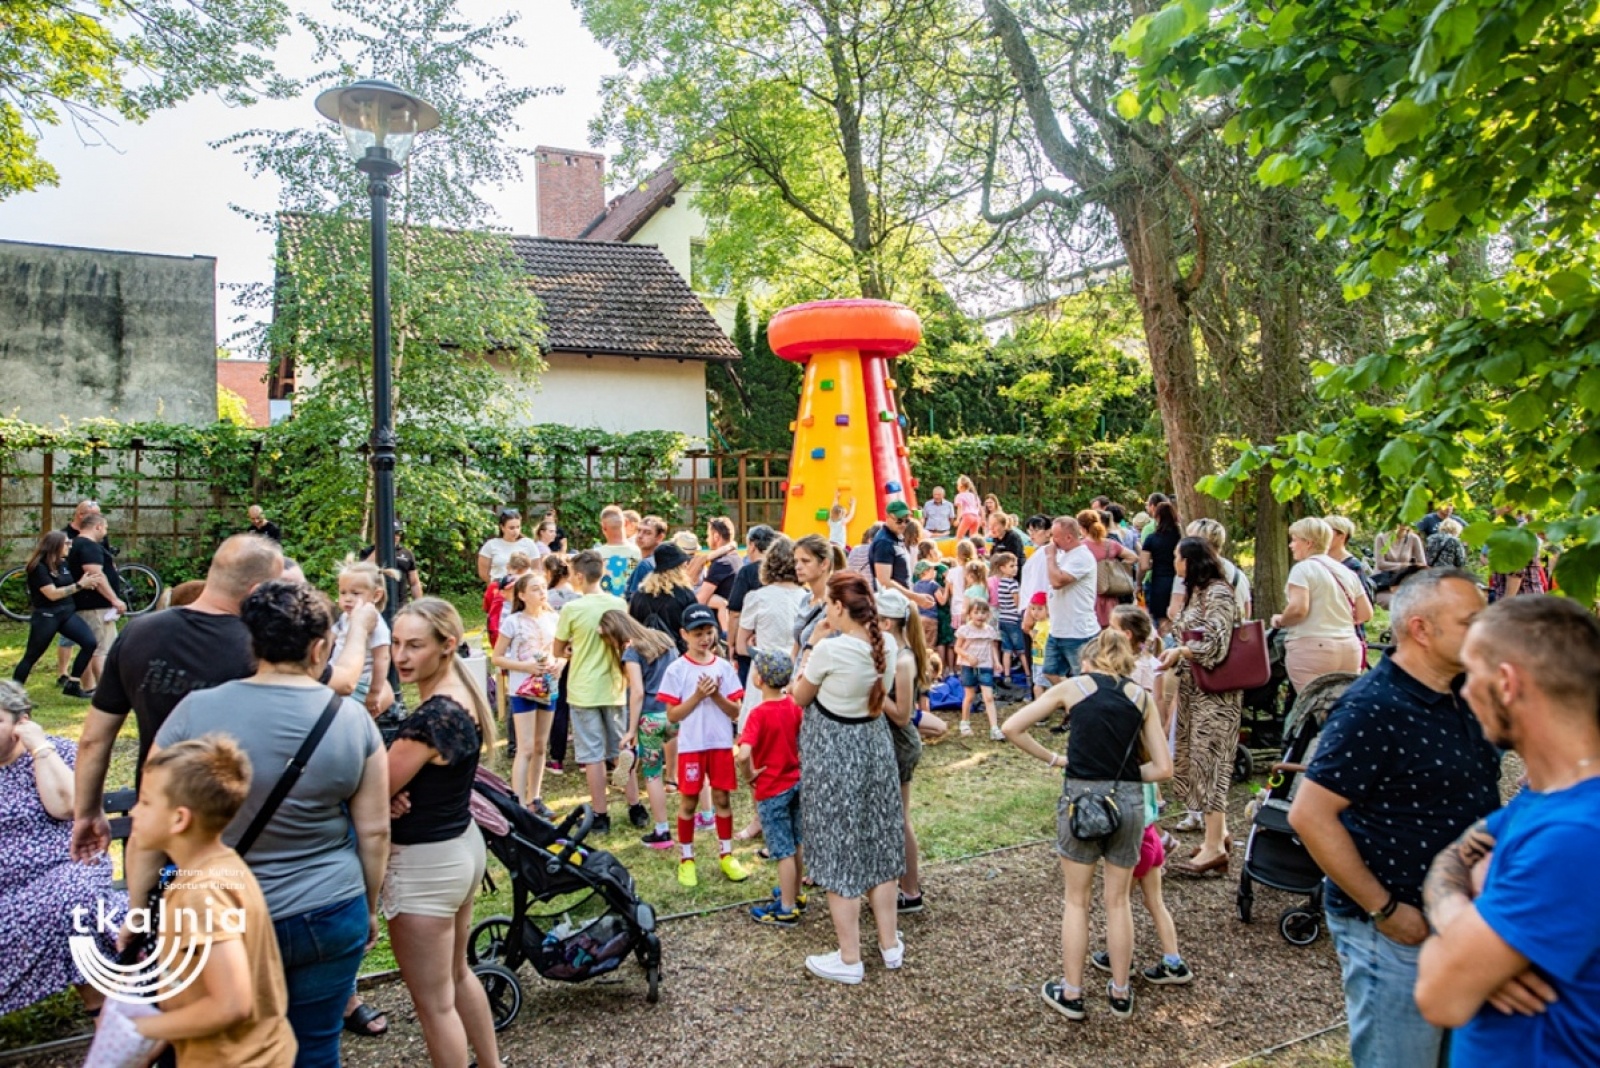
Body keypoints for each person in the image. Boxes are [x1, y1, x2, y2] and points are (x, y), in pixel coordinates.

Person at [143, 580, 388, 1063]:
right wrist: (371, 905)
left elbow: (154, 814)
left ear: (252, 642)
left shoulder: (195, 711)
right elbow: (375, 831)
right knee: (315, 1046)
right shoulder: (352, 720)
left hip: (218, 908)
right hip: (328, 905)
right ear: (320, 647)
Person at [1287, 568, 1500, 1067]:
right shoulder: (1373, 707)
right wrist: (1385, 910)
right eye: (1471, 621)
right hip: (1397, 931)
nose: (1485, 631)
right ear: (1422, 630)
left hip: (1461, 922)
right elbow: (1310, 815)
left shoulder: (1466, 692)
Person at [1415, 596, 1600, 1065]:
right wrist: (1462, 921)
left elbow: (1439, 995)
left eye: (1471, 674)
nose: (1464, 691)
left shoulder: (1577, 833)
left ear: (1506, 683)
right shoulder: (1546, 799)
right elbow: (1452, 857)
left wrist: (1462, 948)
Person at [72, 534, 285, 860]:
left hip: (156, 821)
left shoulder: (138, 632)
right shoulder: (263, 649)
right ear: (257, 592)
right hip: (236, 830)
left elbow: (94, 740)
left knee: (153, 911)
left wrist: (86, 813)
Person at [1002, 629, 1172, 1021]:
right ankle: (1120, 991)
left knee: (1076, 900)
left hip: (1080, 799)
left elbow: (1012, 727)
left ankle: (1073, 992)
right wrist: (1125, 774)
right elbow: (1164, 768)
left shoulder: (1073, 688)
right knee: (1118, 901)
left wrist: (1055, 760)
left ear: (1088, 661)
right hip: (1128, 801)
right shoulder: (1140, 697)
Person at [128, 736, 297, 1066]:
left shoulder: (201, 893)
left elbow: (231, 1004)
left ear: (179, 819)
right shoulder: (220, 865)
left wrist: (141, 1028)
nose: (135, 810)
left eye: (146, 802)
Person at [385, 598, 501, 1068]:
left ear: (447, 646)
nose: (401, 656)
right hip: (460, 847)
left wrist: (382, 795)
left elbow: (368, 790)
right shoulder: (463, 695)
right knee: (456, 975)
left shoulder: (431, 719)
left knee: (434, 1005)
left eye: (415, 645)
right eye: (395, 643)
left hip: (426, 863)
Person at [790, 572, 905, 985]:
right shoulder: (887, 645)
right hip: (874, 746)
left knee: (839, 847)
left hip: (834, 751)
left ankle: (849, 956)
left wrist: (811, 646)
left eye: (827, 605)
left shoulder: (829, 651)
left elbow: (799, 697)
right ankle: (890, 944)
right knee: (879, 837)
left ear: (838, 607)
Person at [0, 682, 124, 1018]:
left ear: (21, 722)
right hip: (7, 888)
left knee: (72, 905)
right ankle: (112, 1015)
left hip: (67, 866)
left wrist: (39, 749)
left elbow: (70, 807)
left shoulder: (59, 752)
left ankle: (104, 1012)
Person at [1161, 538, 1244, 877]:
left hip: (1217, 694)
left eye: (1178, 558)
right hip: (1196, 690)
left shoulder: (1219, 593)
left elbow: (1216, 644)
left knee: (1211, 763)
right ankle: (1217, 835)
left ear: (1191, 561)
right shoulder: (1198, 593)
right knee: (1198, 760)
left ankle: (1212, 849)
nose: (1175, 563)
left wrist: (1182, 652)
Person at [660, 603, 750, 887]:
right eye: (698, 633)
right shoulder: (677, 670)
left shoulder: (724, 667)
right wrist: (698, 696)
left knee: (723, 798)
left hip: (720, 744)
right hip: (691, 746)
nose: (705, 638)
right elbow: (673, 715)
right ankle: (687, 858)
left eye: (709, 631)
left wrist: (715, 697)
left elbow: (736, 711)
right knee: (689, 800)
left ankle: (726, 853)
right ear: (683, 634)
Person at [553, 550, 631, 834]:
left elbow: (557, 649)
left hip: (583, 688)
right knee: (622, 751)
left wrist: (574, 647)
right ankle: (635, 806)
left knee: (593, 754)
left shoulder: (572, 609)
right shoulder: (619, 603)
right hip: (614, 686)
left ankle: (601, 813)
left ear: (579, 576)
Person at [876, 590, 941, 914]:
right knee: (896, 817)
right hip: (892, 741)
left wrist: (873, 690)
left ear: (887, 622)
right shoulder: (895, 653)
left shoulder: (903, 659)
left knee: (900, 819)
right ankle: (904, 887)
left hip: (900, 743)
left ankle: (911, 890)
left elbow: (902, 715)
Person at [738, 648, 805, 925]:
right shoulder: (794, 706)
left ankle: (787, 908)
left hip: (771, 789)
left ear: (760, 680)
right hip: (795, 782)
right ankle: (797, 892)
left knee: (782, 850)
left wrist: (749, 774)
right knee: (797, 841)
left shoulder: (758, 714)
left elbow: (743, 754)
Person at [1272, 517, 1374, 693]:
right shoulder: (1347, 571)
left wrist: (1281, 620)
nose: (1291, 545)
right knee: (1341, 709)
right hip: (1349, 648)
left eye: (1295, 540)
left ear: (1308, 543)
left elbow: (1298, 609)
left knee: (1313, 709)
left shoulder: (1303, 569)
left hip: (1312, 648)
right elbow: (1366, 614)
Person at [491, 572, 564, 817]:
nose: (542, 592)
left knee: (541, 745)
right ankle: (518, 803)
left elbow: (565, 651)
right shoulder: (513, 621)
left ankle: (535, 797)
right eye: (535, 588)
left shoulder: (554, 618)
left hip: (548, 686)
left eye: (543, 587)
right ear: (522, 595)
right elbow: (497, 657)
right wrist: (526, 667)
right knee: (526, 747)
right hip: (522, 688)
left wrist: (559, 664)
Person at [608, 612, 679, 848]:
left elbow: (637, 691)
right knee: (691, 765)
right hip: (674, 713)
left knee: (652, 773)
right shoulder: (663, 640)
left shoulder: (632, 652)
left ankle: (662, 830)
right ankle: (708, 815)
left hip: (650, 718)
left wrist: (630, 730)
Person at [11, 530, 103, 696]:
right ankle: (13, 695)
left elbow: (72, 583)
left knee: (89, 643)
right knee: (32, 656)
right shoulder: (38, 568)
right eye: (66, 543)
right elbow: (52, 594)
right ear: (56, 545)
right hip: (47, 616)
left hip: (66, 614)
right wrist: (79, 586)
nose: (70, 545)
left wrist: (87, 584)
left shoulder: (62, 564)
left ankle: (73, 684)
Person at [735, 536, 807, 723]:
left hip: (764, 675)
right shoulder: (808, 599)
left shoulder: (757, 598)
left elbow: (741, 647)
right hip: (797, 677)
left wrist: (754, 647)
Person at [66, 511, 126, 691]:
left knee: (89, 646)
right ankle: (105, 690)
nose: (105, 532)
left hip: (84, 604)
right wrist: (114, 599)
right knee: (102, 649)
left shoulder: (75, 544)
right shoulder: (89, 546)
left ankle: (89, 686)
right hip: (96, 605)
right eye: (105, 527)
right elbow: (96, 575)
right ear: (98, 526)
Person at [330, 557, 396, 718]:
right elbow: (331, 638)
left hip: (359, 683)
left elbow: (382, 658)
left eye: (355, 593)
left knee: (347, 717)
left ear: (376, 595)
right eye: (343, 592)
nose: (347, 598)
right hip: (337, 674)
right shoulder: (345, 617)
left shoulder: (376, 624)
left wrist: (375, 692)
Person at [1044, 516, 1099, 685]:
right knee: (1049, 672)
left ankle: (1084, 705)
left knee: (1084, 677)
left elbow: (1057, 581)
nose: (1052, 541)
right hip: (1058, 629)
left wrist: (1050, 557)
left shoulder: (1082, 557)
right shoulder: (1065, 555)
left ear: (1069, 537)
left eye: (1055, 536)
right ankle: (1073, 700)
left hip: (1078, 631)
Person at [726, 524, 779, 682]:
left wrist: (731, 644)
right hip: (773, 636)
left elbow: (735, 612)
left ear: (752, 545)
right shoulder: (781, 570)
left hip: (748, 640)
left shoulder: (747, 572)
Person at [629, 542, 698, 653]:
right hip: (676, 656)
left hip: (644, 655)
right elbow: (694, 627)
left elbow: (632, 627)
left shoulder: (639, 595)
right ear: (679, 567)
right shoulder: (685, 594)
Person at [1078, 509, 1138, 628]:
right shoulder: (1110, 544)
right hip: (1110, 593)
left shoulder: (1081, 547)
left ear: (1083, 528)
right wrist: (1116, 567)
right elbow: (1133, 557)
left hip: (1089, 595)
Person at [955, 599, 1003, 740]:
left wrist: (997, 661)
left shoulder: (989, 630)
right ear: (970, 614)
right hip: (969, 666)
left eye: (983, 612)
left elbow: (992, 646)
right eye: (976, 612)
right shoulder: (965, 630)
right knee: (969, 695)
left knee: (988, 697)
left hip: (985, 665)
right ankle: (965, 722)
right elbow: (957, 648)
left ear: (988, 614)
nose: (980, 615)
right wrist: (967, 656)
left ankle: (994, 728)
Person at [359, 521, 424, 608]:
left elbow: (414, 583)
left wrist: (420, 606)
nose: (395, 536)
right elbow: (362, 572)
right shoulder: (369, 551)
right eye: (392, 533)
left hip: (400, 605)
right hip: (375, 604)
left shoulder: (407, 553)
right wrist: (380, 547)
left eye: (398, 533)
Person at [1138, 501, 1182, 628]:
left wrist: (1139, 584)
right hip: (1179, 581)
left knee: (1161, 623)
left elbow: (1144, 565)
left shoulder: (1151, 538)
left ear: (1157, 517)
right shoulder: (1181, 537)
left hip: (1159, 583)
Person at [477, 508, 540, 584]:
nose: (515, 531)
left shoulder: (528, 543)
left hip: (523, 588)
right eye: (511, 528)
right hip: (498, 588)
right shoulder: (491, 545)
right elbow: (483, 574)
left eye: (518, 527)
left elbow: (536, 569)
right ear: (502, 527)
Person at [697, 517, 742, 620]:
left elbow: (700, 600)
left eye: (708, 535)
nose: (707, 539)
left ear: (716, 536)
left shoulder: (721, 564)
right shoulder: (736, 559)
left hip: (720, 627)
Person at [989, 551, 1024, 683]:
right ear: (1002, 567)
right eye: (1012, 565)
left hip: (999, 614)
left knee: (1002, 647)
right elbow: (1017, 602)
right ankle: (1026, 672)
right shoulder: (1011, 583)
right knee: (1019, 648)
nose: (1015, 568)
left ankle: (1001, 672)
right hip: (1011, 616)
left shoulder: (994, 581)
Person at [595, 505, 641, 598]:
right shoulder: (639, 553)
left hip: (605, 608)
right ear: (626, 523)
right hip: (630, 608)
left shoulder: (595, 555)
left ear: (603, 527)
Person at [625, 515, 668, 599]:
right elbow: (625, 582)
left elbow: (635, 598)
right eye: (639, 531)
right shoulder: (633, 560)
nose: (640, 536)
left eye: (647, 532)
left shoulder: (649, 564)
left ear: (660, 537)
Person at [953, 476, 982, 540]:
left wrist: (958, 519)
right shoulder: (974, 495)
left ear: (961, 486)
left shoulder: (960, 496)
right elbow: (979, 508)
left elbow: (959, 508)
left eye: (957, 485)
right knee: (974, 538)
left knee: (959, 536)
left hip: (968, 517)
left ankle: (959, 549)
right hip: (977, 518)